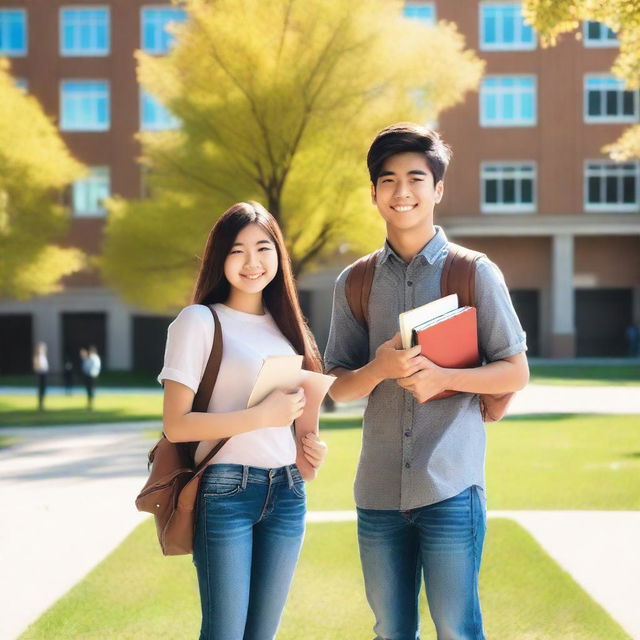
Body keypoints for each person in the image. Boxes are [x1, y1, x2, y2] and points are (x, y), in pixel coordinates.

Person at [324, 123, 529, 640]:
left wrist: (444, 377)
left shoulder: (474, 273)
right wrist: (379, 369)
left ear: (437, 189)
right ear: (373, 193)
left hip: (452, 486)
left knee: (457, 630)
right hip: (377, 492)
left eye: (416, 178)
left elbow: (515, 369)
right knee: (391, 631)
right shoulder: (355, 282)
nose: (402, 192)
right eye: (388, 180)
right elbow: (336, 386)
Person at [158, 201, 328, 640]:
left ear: (279, 255)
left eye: (263, 248)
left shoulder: (287, 327)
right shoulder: (198, 321)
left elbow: (294, 416)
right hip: (225, 490)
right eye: (237, 250)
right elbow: (176, 425)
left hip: (287, 490)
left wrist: (310, 447)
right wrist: (257, 418)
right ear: (220, 258)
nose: (252, 262)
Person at [80, 346, 101, 410]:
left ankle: (90, 405)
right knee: (89, 391)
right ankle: (90, 404)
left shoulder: (93, 358)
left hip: (91, 376)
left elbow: (92, 367)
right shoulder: (91, 358)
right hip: (90, 375)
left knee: (90, 391)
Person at [32, 342, 49, 411]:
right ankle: (40, 404)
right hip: (40, 374)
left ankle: (42, 404)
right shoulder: (37, 357)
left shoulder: (43, 356)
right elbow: (36, 367)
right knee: (41, 390)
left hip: (44, 374)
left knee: (43, 390)